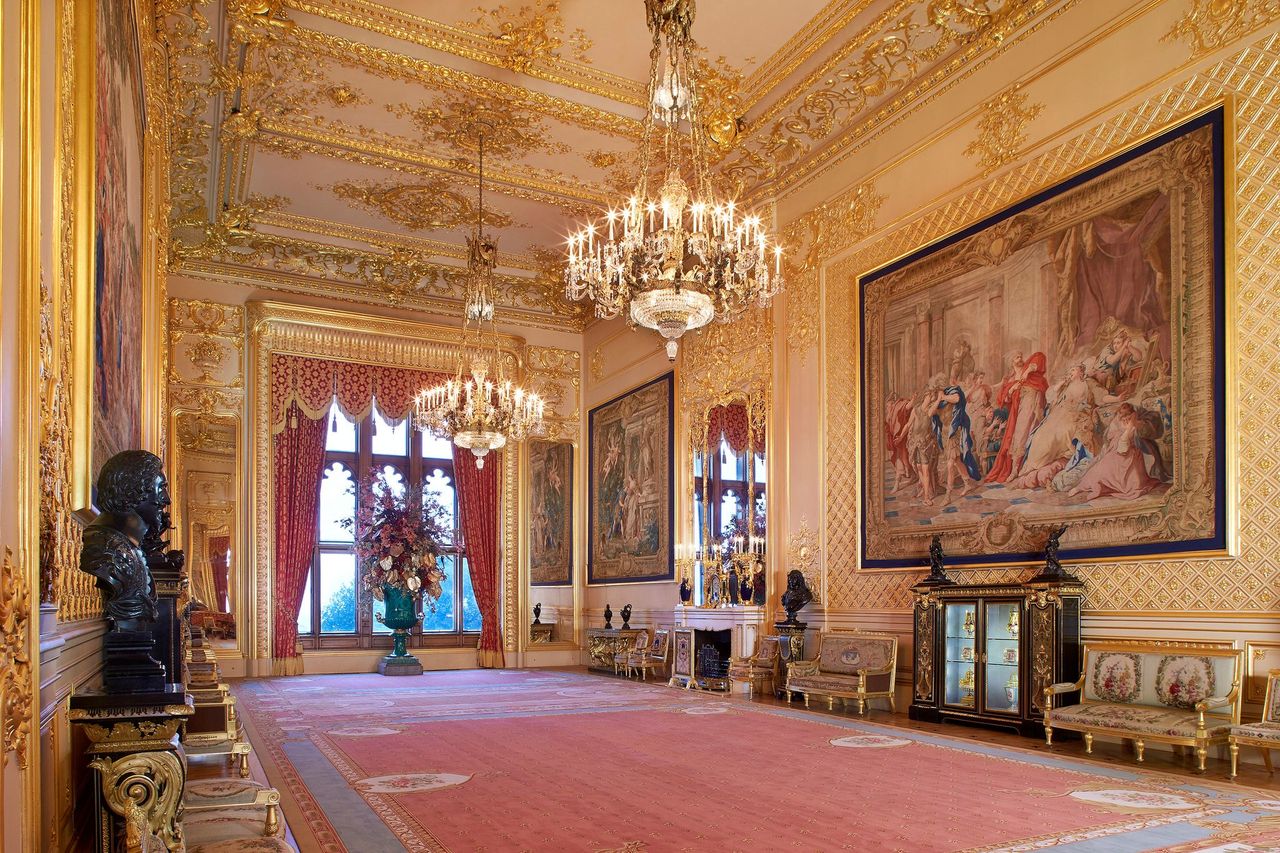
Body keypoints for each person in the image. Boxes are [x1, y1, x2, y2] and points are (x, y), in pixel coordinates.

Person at [1069, 403, 1162, 501]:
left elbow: (1124, 447)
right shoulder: (1118, 423)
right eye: (1123, 418)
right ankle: (1080, 488)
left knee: (1132, 484)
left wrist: (1128, 428)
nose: (1125, 420)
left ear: (1132, 415)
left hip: (1131, 458)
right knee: (1097, 470)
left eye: (1128, 417)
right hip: (1115, 455)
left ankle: (1100, 488)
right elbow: (1113, 439)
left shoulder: (1135, 425)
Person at [985, 351, 1049, 483]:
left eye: (1021, 356)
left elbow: (1040, 356)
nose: (1020, 359)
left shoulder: (1028, 369)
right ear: (1011, 362)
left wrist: (1028, 371)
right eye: (1017, 357)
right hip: (1021, 410)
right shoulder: (1010, 379)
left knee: (1037, 434)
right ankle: (1015, 469)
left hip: (1037, 406)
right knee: (1020, 437)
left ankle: (1033, 467)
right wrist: (1012, 389)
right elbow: (1003, 399)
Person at [931, 385, 983, 504]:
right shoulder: (938, 404)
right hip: (945, 436)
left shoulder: (950, 398)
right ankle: (967, 483)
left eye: (937, 392)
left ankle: (948, 495)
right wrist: (938, 399)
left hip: (953, 434)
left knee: (950, 464)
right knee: (957, 461)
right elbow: (930, 413)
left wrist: (943, 397)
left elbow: (958, 398)